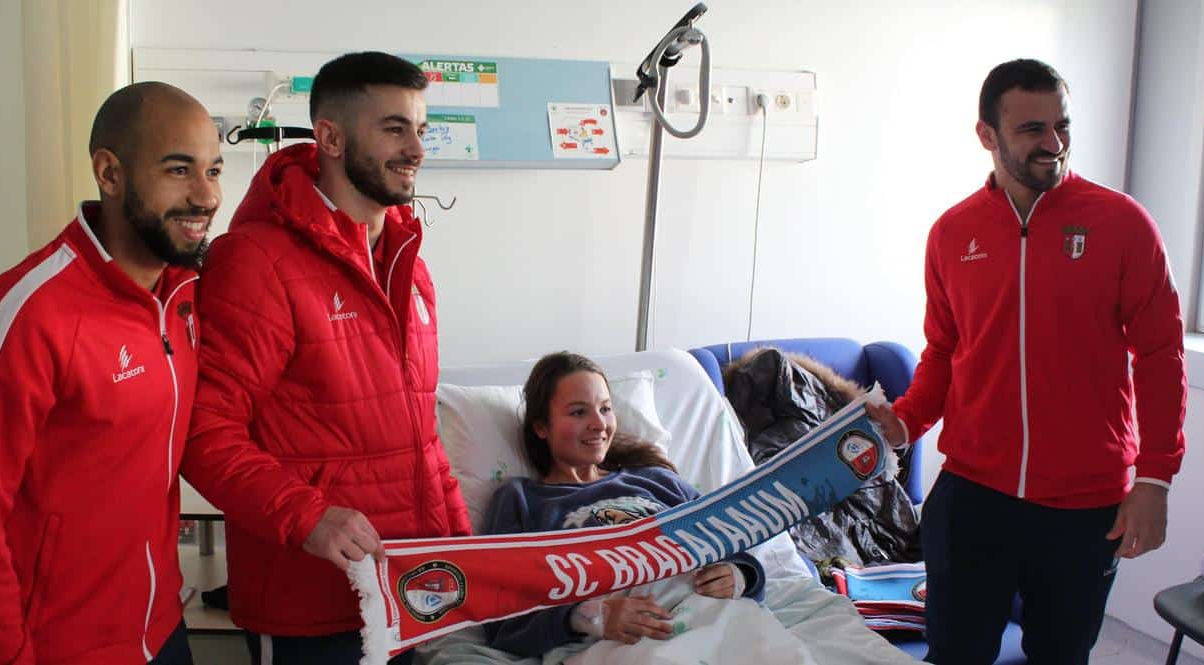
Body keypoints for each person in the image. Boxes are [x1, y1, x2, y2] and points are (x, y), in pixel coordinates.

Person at [866, 59, 1187, 665]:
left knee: (1060, 657)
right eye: (1032, 129)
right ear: (986, 135)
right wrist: (907, 420)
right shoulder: (952, 233)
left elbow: (1160, 354)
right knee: (955, 653)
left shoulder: (1122, 224)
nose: (1054, 143)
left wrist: (1154, 478)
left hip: (1085, 503)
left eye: (1062, 125)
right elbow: (944, 349)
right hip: (973, 494)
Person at [180, 51, 470, 665]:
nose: (416, 149)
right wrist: (306, 516)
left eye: (421, 129)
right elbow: (203, 433)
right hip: (310, 608)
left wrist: (461, 553)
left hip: (406, 590)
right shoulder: (257, 263)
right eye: (393, 128)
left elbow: (423, 439)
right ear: (331, 137)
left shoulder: (408, 265)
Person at [0, 82, 222, 664]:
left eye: (213, 170)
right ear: (109, 173)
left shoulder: (184, 297)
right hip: (62, 648)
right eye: (178, 170)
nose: (206, 195)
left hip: (163, 629)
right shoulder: (26, 315)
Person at [482, 352, 766, 657]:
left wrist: (739, 576)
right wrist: (591, 615)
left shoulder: (657, 480)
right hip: (624, 643)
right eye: (578, 413)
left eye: (605, 409)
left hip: (710, 615)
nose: (598, 424)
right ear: (541, 427)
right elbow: (500, 619)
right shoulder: (522, 500)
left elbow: (731, 546)